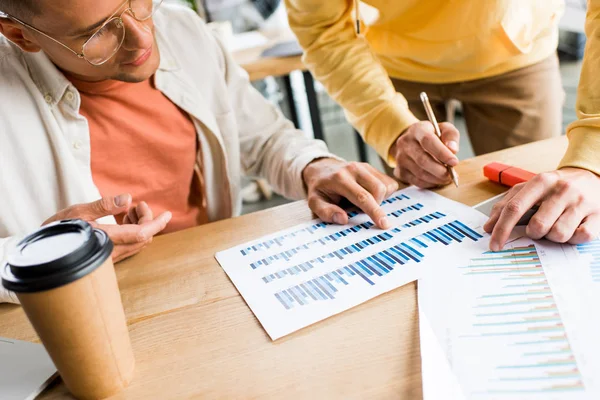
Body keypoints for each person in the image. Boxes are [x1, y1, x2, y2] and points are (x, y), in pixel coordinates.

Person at [0, 0, 399, 303]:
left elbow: (263, 138)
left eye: (136, 1)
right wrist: (41, 257)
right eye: (98, 33)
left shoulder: (181, 29)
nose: (142, 36)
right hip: (87, 314)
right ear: (22, 36)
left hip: (219, 291)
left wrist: (313, 166)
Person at [285, 0, 600, 250]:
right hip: (391, 70)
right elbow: (321, 26)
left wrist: (590, 161)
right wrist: (390, 126)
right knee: (419, 192)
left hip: (520, 52)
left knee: (544, 209)